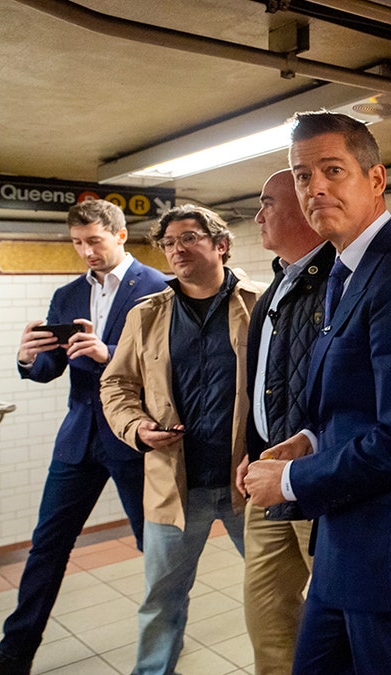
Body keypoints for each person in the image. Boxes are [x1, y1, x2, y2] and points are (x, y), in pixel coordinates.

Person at [242, 111, 391, 673]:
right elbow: (356, 399)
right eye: (303, 176)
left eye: (333, 169)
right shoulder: (348, 269)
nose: (316, 188)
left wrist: (287, 480)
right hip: (348, 544)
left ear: (376, 180)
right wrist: (306, 439)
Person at [0, 200, 168, 675]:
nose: (86, 251)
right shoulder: (68, 294)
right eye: (77, 243)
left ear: (118, 235)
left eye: (94, 240)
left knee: (155, 549)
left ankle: (161, 648)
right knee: (46, 547)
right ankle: (14, 652)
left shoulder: (158, 288)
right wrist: (29, 358)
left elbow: (168, 363)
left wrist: (107, 351)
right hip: (78, 441)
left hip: (133, 436)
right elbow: (54, 367)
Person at [100, 205, 259, 675]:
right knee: (160, 600)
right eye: (169, 243)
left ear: (221, 244)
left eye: (188, 238)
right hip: (174, 483)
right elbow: (116, 384)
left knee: (276, 591)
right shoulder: (147, 315)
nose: (177, 250)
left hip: (247, 481)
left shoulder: (261, 304)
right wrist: (136, 427)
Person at [234, 170, 333, 675]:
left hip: (318, 478)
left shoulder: (342, 280)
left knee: (341, 618)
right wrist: (254, 449)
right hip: (267, 477)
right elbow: (265, 380)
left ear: (301, 207)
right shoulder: (276, 285)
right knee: (268, 616)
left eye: (267, 203)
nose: (258, 215)